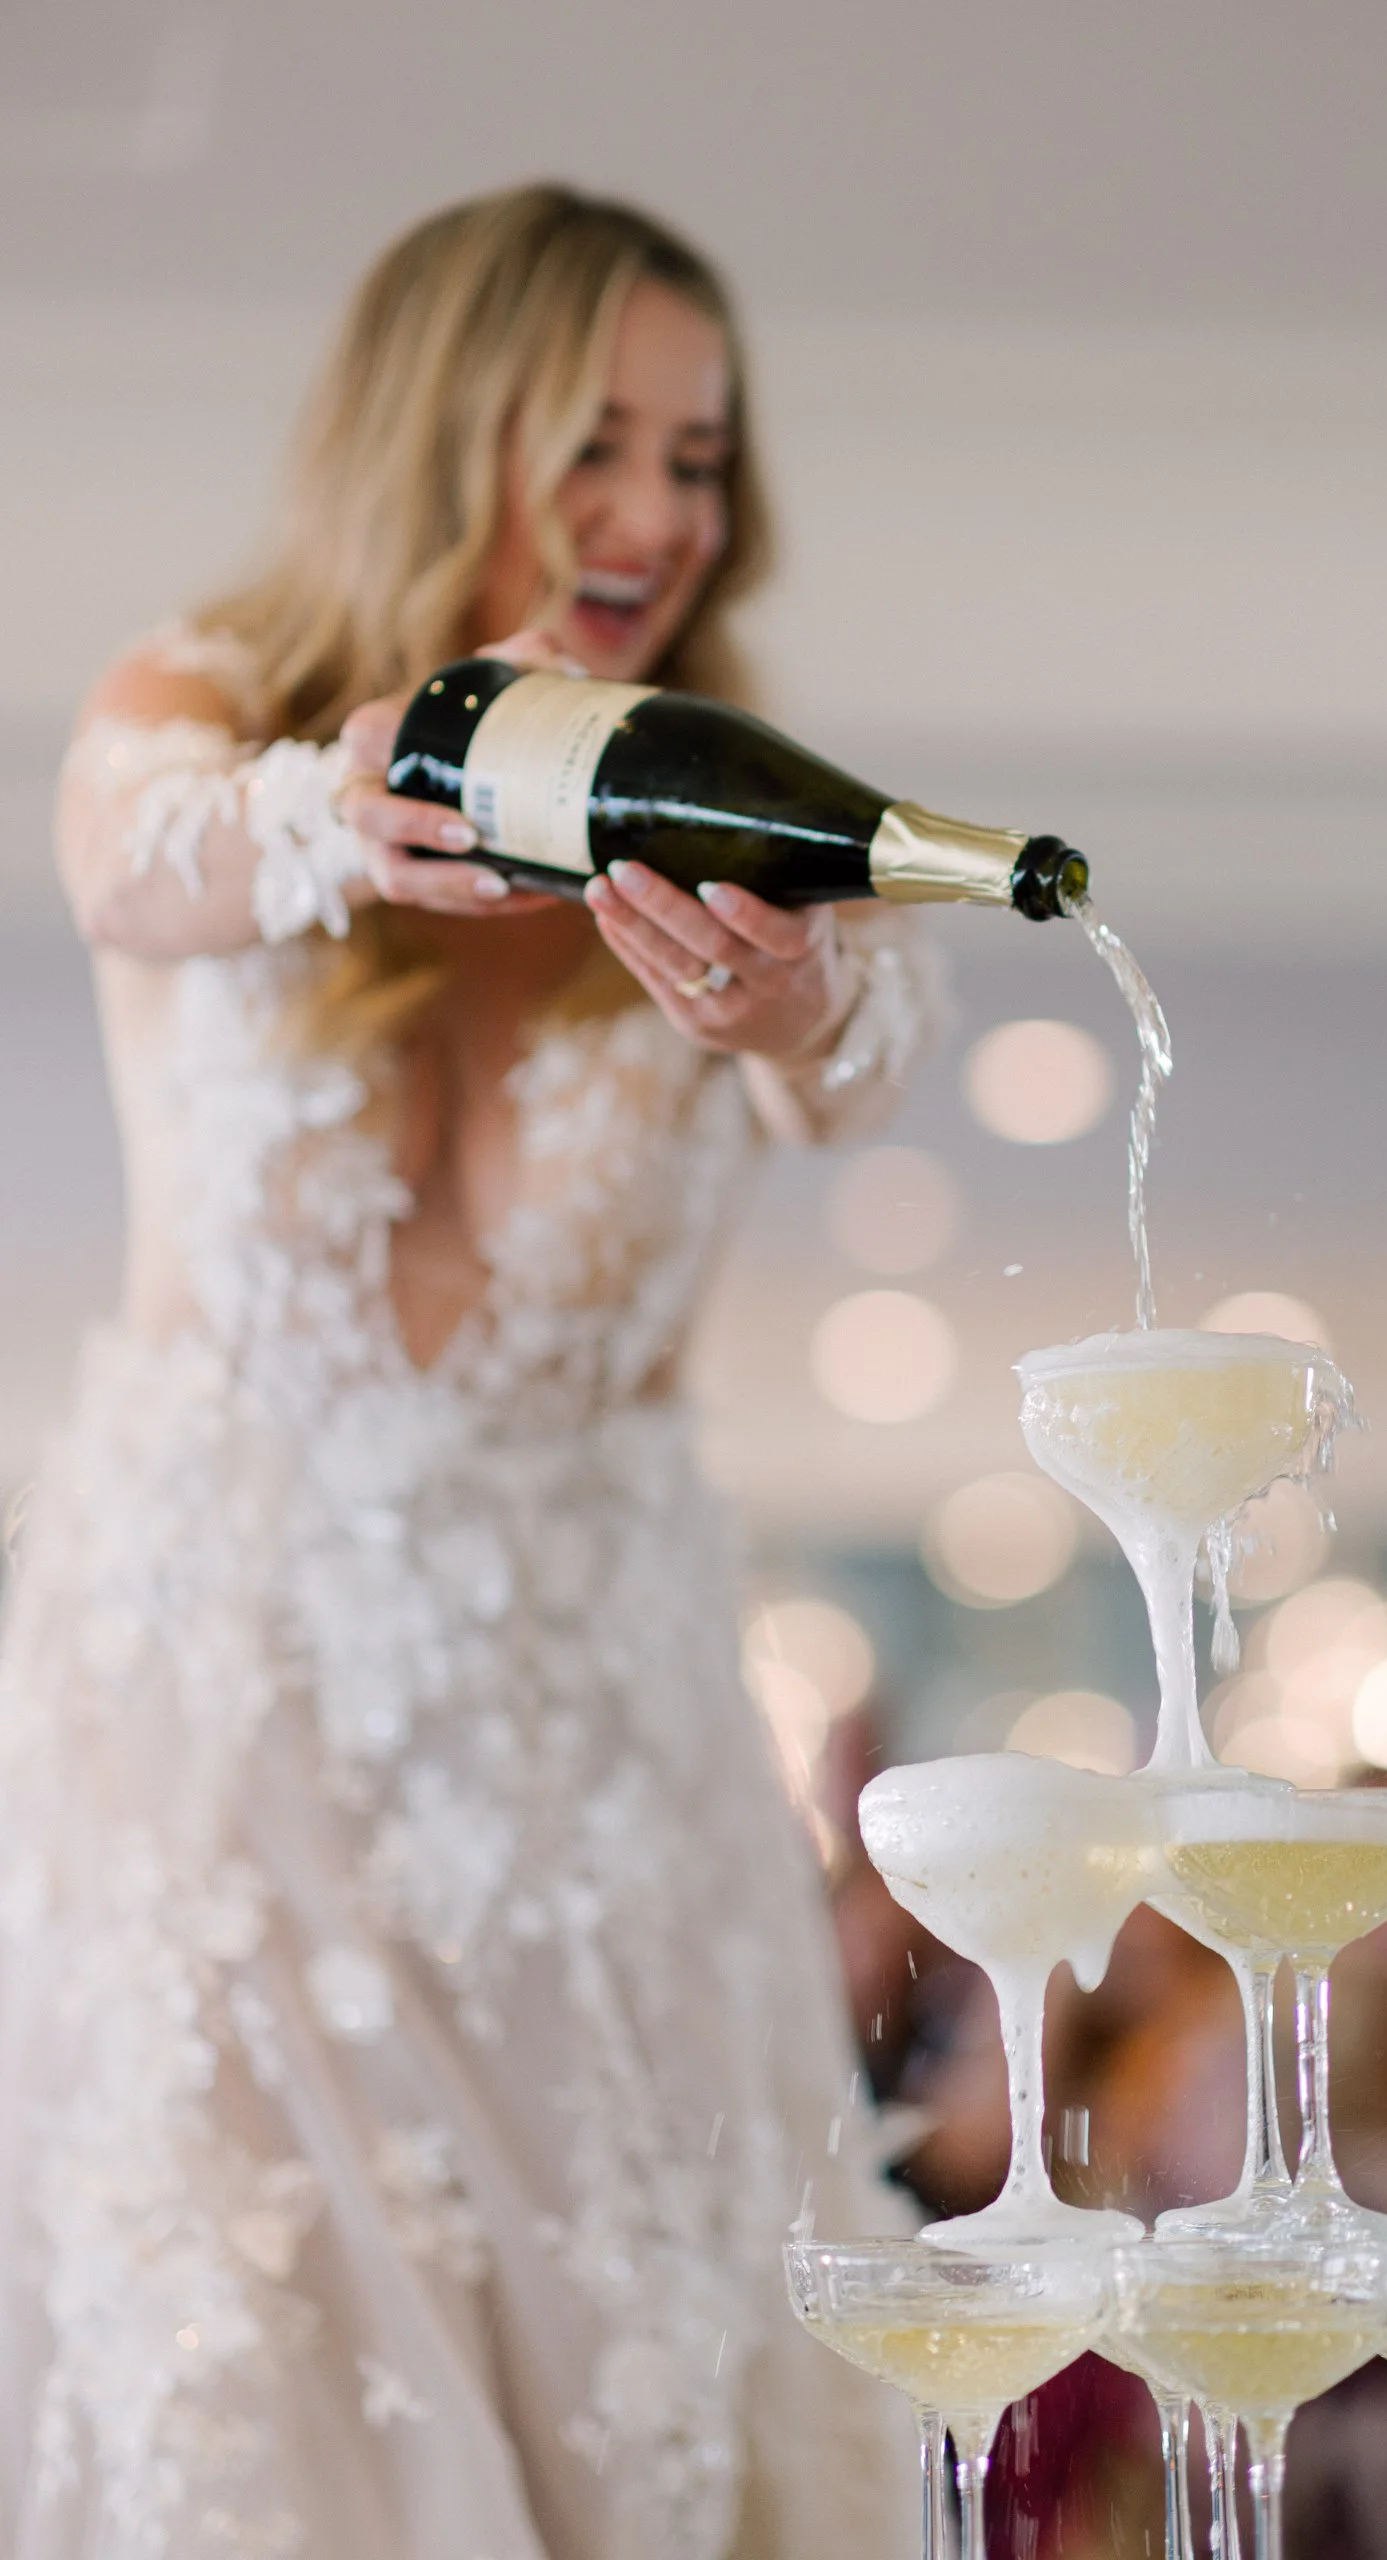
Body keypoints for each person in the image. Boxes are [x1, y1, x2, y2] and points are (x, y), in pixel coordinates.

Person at [0, 183, 930, 2558]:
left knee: (631, 2378)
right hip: (215, 1739)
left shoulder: (728, 815)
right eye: (594, 440)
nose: (651, 513)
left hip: (591, 1756)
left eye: (699, 459)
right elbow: (127, 863)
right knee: (258, 2363)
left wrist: (809, 1009)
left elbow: (855, 1054)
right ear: (445, 431)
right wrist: (353, 806)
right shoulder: (203, 707)